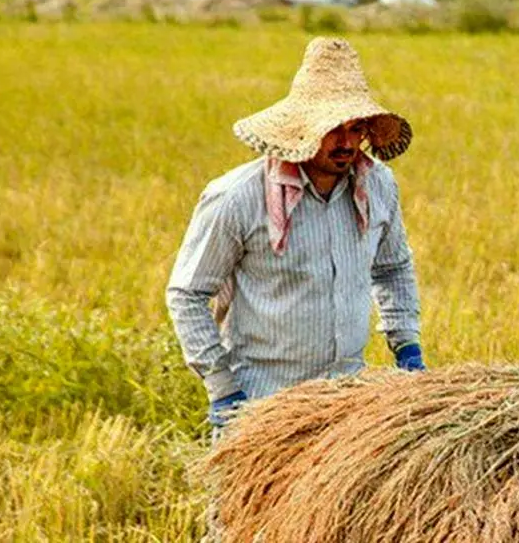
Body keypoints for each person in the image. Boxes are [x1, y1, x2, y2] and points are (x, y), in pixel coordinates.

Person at [166, 37, 424, 439]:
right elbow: (187, 293)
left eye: (355, 129)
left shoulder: (378, 187)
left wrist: (406, 346)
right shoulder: (237, 198)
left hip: (346, 402)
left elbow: (393, 268)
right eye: (332, 129)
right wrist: (221, 388)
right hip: (261, 404)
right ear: (303, 129)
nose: (346, 143)